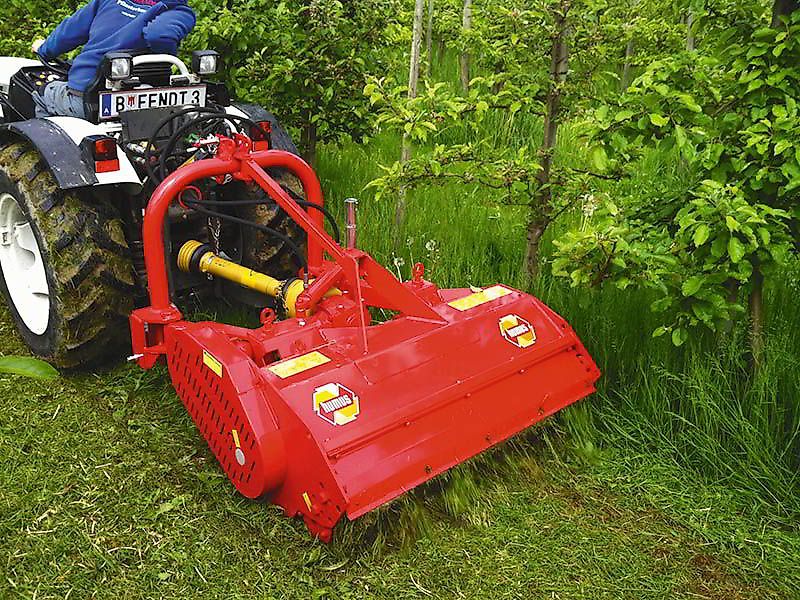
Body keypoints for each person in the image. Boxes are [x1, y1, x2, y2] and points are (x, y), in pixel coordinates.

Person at [32, 0, 196, 119]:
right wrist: (163, 60)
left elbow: (67, 34)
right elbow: (160, 35)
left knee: (42, 94)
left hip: (87, 97)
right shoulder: (179, 12)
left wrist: (44, 50)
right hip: (148, 103)